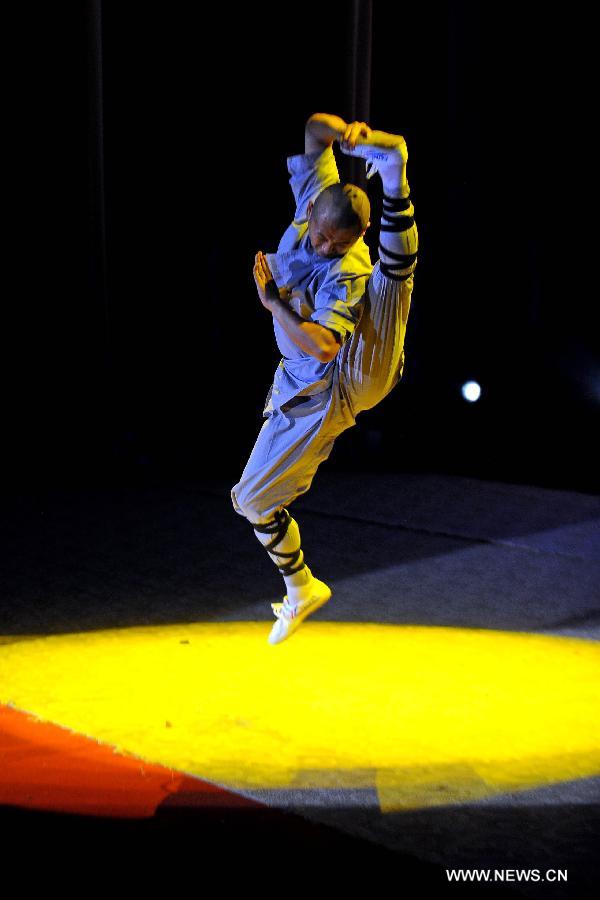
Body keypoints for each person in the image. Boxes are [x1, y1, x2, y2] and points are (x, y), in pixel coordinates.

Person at [231, 112, 418, 645]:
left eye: (338, 244)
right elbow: (313, 128)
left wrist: (272, 305)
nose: (324, 249)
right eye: (321, 238)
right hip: (301, 390)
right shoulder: (317, 195)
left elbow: (325, 343)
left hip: (352, 373)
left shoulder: (349, 268)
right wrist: (344, 134)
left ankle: (395, 172)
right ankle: (300, 589)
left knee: (391, 282)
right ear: (311, 210)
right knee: (250, 500)